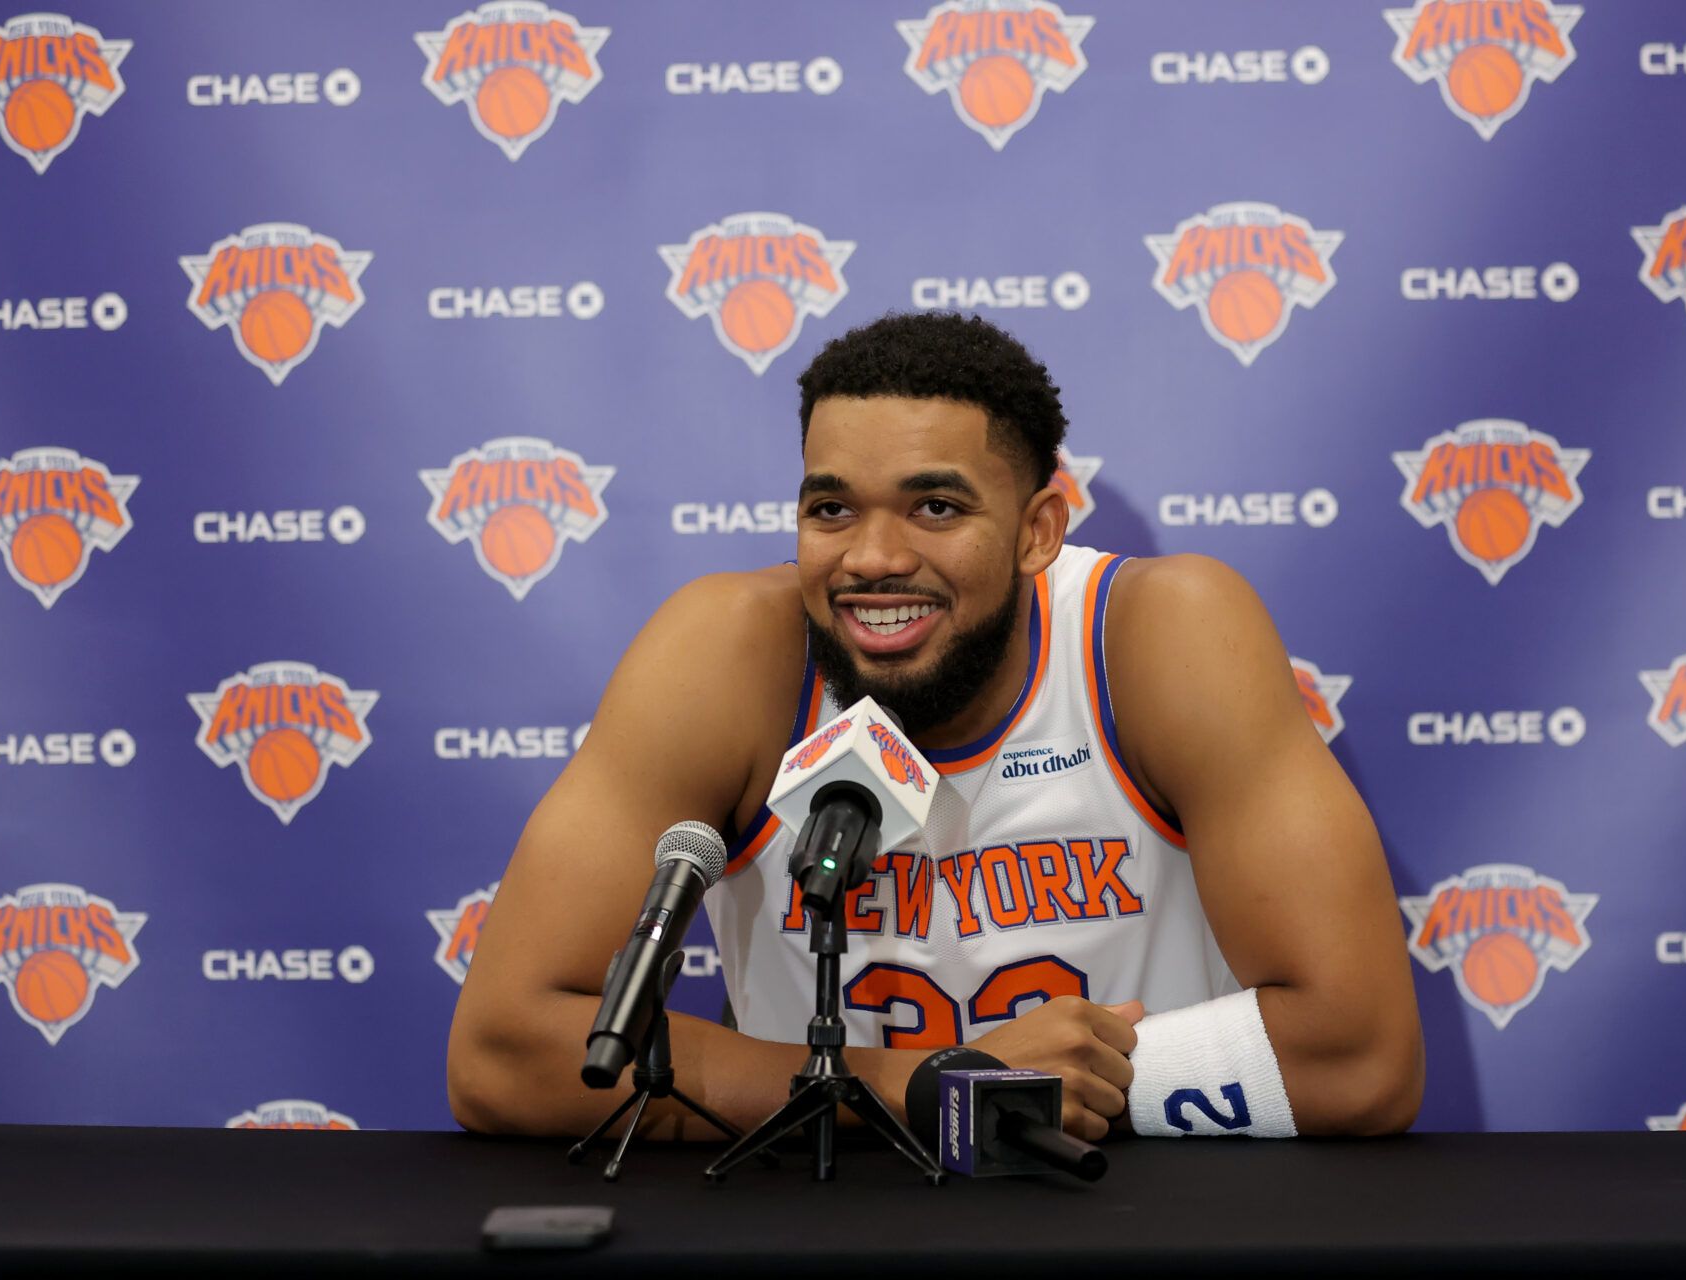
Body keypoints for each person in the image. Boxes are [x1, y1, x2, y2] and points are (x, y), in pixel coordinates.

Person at [448, 312, 1422, 1142]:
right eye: (831, 506)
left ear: (1039, 528)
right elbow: (501, 1054)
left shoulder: (1161, 630)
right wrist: (926, 1089)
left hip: (1128, 1213)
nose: (872, 557)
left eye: (936, 506)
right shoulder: (729, 651)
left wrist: (1042, 1093)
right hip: (833, 1210)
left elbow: (1362, 1056)